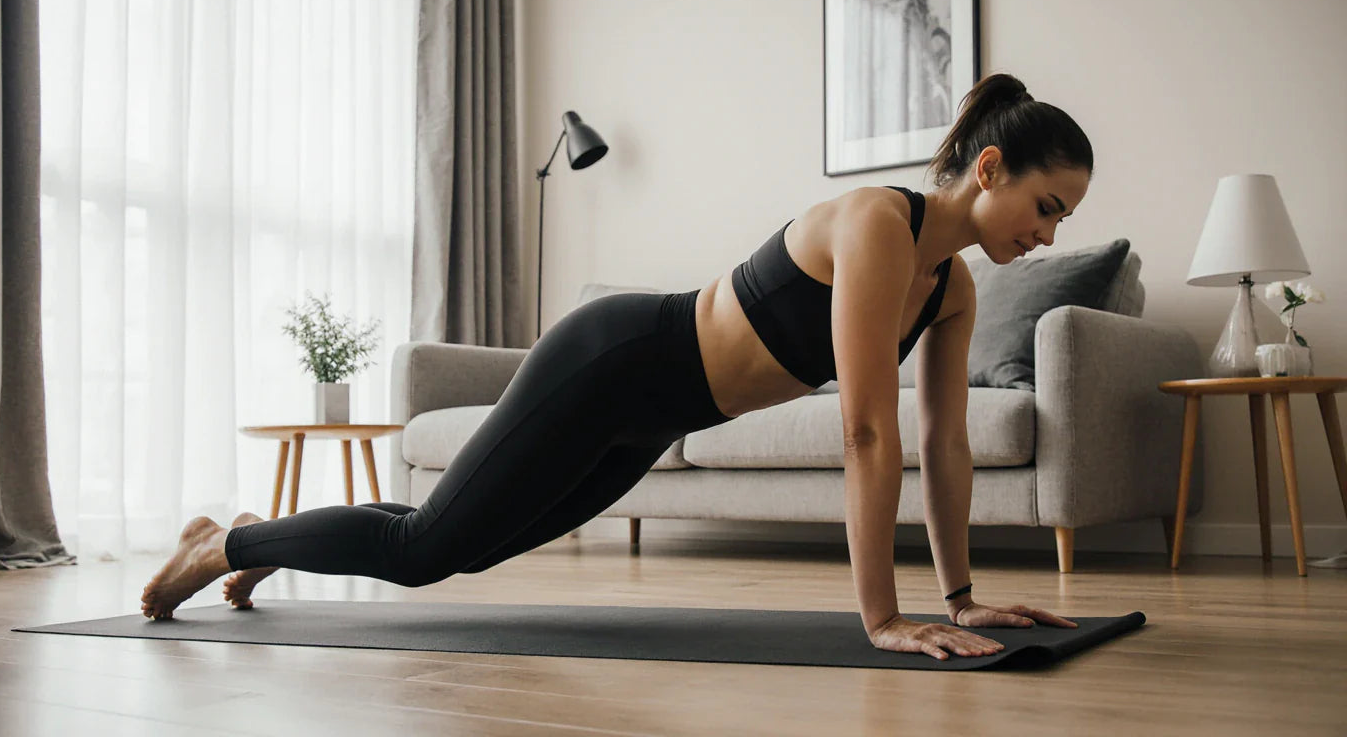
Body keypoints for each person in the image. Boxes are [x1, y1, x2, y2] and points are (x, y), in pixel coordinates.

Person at [140, 72, 1089, 661]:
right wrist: (883, 618)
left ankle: (263, 534)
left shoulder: (951, 288)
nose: (1045, 237)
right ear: (991, 168)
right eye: (1045, 208)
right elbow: (869, 432)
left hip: (650, 423)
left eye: (1063, 224)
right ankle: (221, 544)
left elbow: (944, 440)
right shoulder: (881, 226)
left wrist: (962, 597)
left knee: (459, 540)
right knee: (424, 553)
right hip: (612, 362)